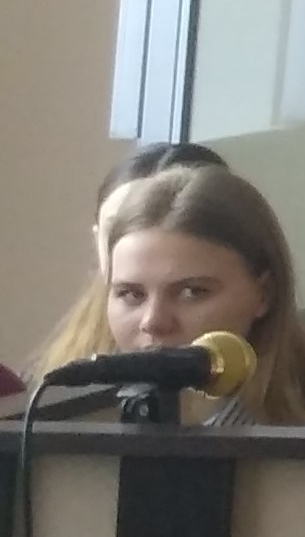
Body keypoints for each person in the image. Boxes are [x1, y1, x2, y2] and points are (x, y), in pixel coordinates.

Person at [46, 163, 305, 426]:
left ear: (264, 295)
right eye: (131, 295)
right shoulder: (59, 435)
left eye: (192, 292)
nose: (154, 321)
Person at [28, 140, 228, 377]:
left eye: (193, 291)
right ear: (97, 238)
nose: (152, 321)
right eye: (118, 229)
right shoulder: (53, 377)